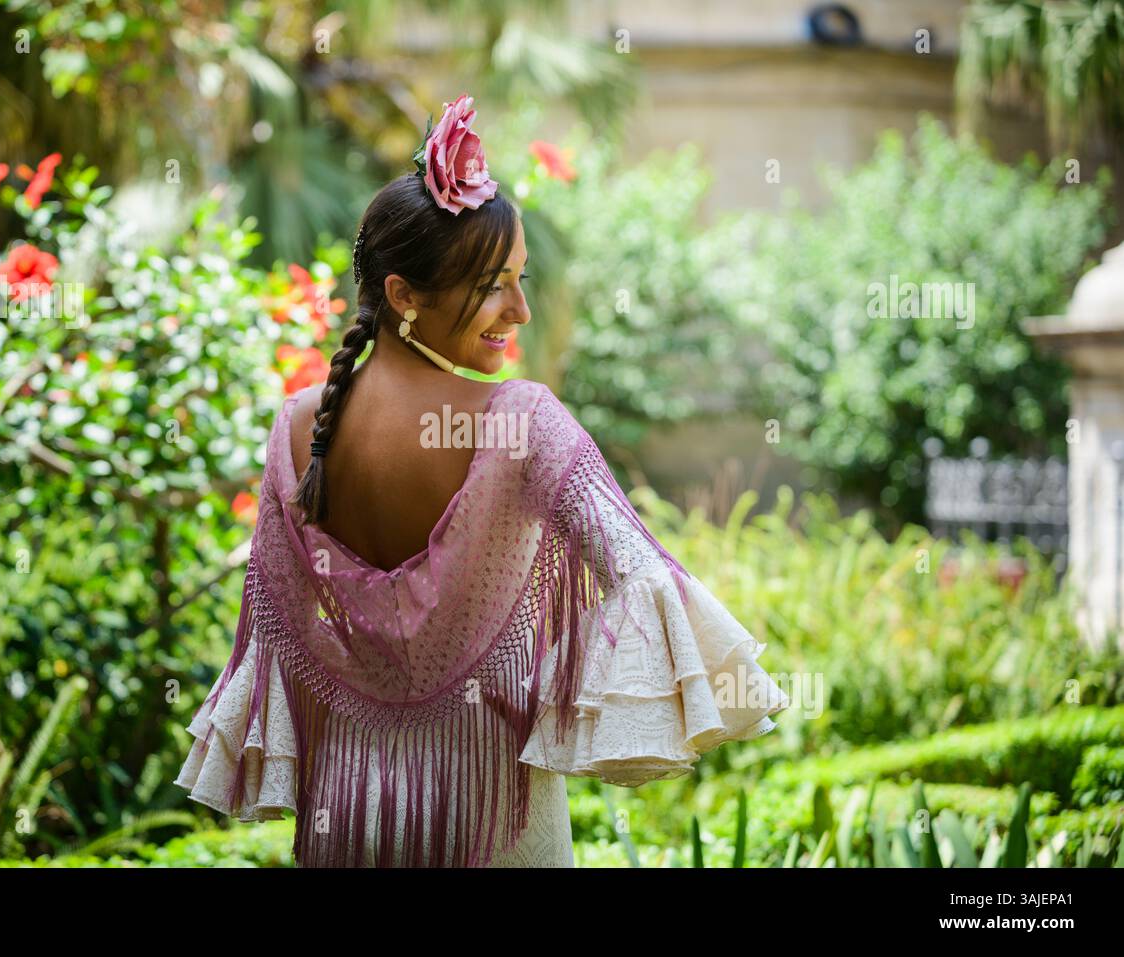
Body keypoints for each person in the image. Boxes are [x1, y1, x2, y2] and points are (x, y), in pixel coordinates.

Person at [173, 94, 790, 867]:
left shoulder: (299, 427)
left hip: (349, 817)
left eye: (521, 279)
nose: (521, 310)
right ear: (403, 295)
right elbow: (642, 579)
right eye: (495, 283)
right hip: (495, 818)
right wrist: (541, 663)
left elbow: (279, 631)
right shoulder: (522, 420)